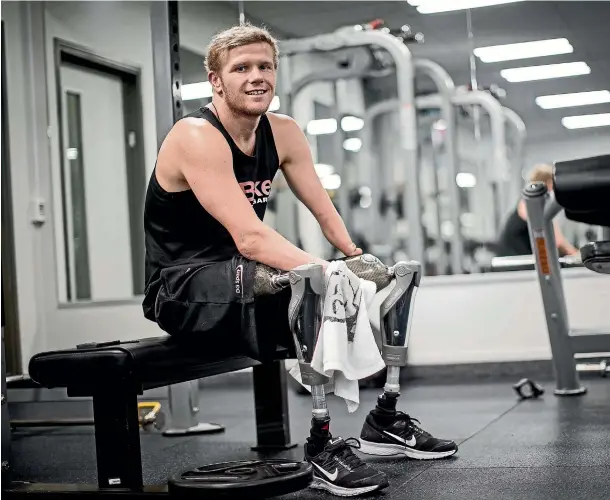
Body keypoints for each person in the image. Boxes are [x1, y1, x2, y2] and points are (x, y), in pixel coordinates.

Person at [142, 23, 456, 497]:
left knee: (391, 279)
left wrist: (355, 259)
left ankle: (385, 418)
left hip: (243, 278)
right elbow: (249, 237)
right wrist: (325, 273)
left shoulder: (282, 131)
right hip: (182, 289)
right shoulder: (195, 135)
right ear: (216, 80)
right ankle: (322, 443)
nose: (256, 77)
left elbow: (323, 207)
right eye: (241, 68)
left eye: (265, 66)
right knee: (305, 283)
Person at [495, 163, 579, 257]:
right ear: (547, 183)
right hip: (512, 258)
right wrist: (576, 255)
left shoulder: (534, 203)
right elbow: (557, 239)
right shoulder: (529, 204)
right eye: (552, 183)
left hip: (520, 256)